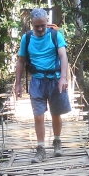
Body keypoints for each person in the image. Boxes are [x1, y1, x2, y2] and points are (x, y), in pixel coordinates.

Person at [14, 8, 71, 163]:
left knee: (56, 113)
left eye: (42, 26)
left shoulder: (55, 35)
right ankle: (41, 149)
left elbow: (63, 55)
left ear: (47, 22)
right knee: (38, 115)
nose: (39, 29)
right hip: (37, 81)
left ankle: (57, 141)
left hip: (55, 79)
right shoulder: (26, 38)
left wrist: (63, 78)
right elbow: (20, 61)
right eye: (36, 26)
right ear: (31, 24)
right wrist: (17, 84)